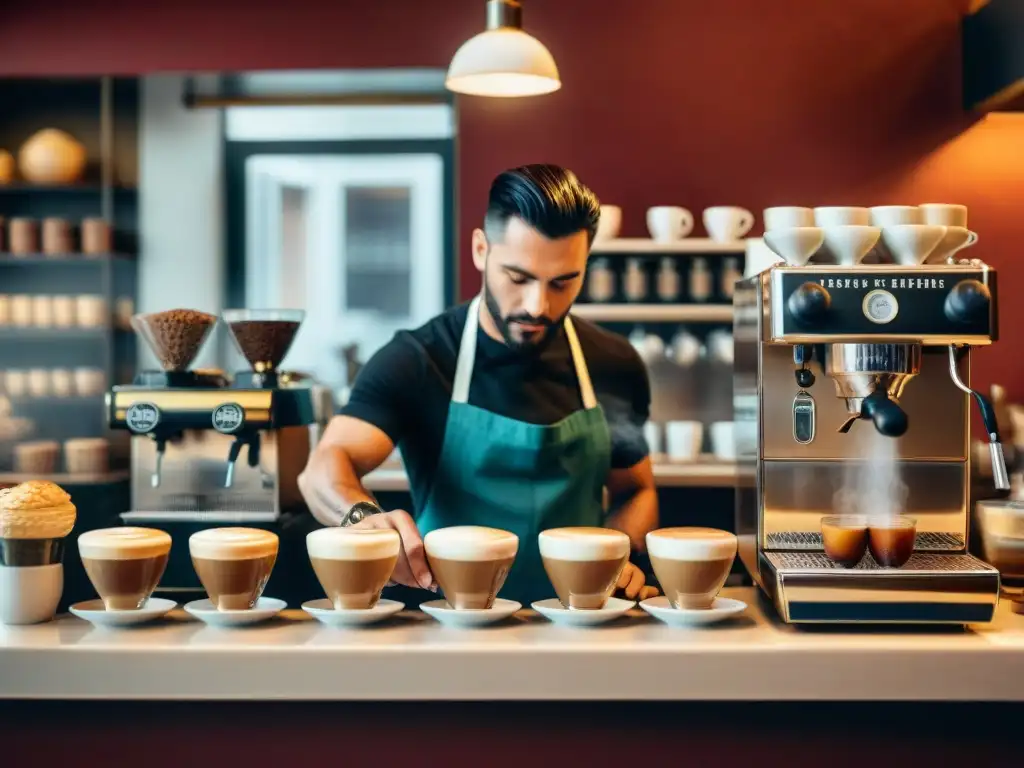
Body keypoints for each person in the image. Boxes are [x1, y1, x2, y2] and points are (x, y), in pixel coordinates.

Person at [298, 163, 659, 605]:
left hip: (578, 620)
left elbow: (636, 489)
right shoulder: (419, 359)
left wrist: (618, 556)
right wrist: (361, 518)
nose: (537, 305)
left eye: (563, 281)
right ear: (480, 249)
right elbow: (325, 464)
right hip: (447, 622)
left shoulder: (614, 364)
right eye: (518, 277)